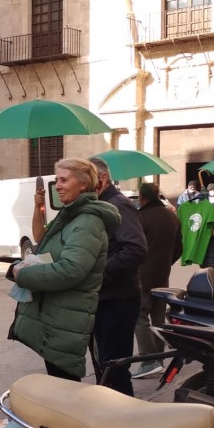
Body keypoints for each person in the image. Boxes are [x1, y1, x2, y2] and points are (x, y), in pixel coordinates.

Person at [11, 158, 120, 382]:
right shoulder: (70, 215)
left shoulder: (87, 221)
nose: (58, 185)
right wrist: (36, 206)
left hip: (66, 319)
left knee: (65, 388)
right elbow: (41, 240)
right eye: (56, 180)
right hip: (57, 317)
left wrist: (22, 275)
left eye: (63, 180)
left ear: (82, 184)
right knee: (61, 384)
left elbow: (70, 270)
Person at [87, 157, 147, 395]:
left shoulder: (117, 204)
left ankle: (125, 424)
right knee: (105, 370)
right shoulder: (101, 204)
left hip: (117, 300)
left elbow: (136, 248)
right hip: (104, 298)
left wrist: (99, 273)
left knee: (115, 371)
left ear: (101, 178)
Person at [132, 183, 183, 378]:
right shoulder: (172, 217)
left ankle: (148, 360)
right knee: (159, 318)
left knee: (140, 317)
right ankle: (159, 359)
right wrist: (166, 263)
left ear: (142, 197)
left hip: (142, 276)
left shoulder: (140, 218)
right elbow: (179, 248)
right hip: (163, 275)